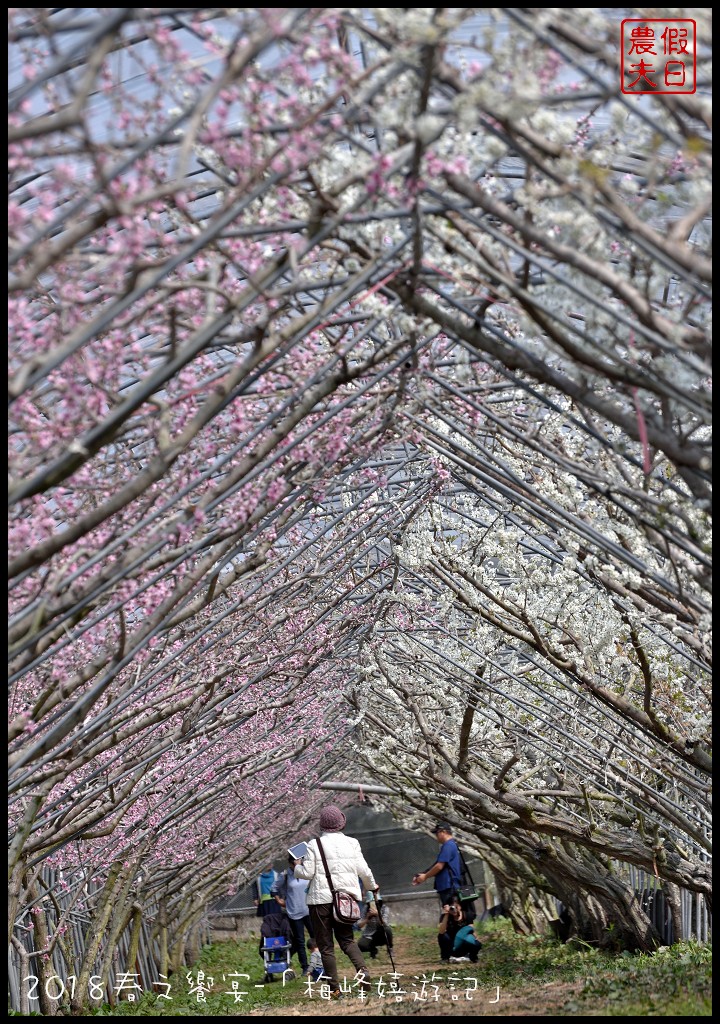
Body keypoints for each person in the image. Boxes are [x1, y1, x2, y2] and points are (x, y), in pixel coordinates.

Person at [293, 804, 379, 999]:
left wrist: (297, 867)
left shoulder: (314, 845)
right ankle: (362, 970)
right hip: (345, 901)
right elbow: (364, 871)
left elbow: (307, 873)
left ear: (322, 825)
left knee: (325, 946)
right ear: (341, 822)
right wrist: (373, 887)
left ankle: (335, 989)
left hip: (320, 902)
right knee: (347, 939)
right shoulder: (352, 843)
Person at [272, 855, 315, 975]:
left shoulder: (306, 871)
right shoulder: (285, 875)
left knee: (315, 937)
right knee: (300, 941)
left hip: (309, 909)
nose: (297, 865)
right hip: (294, 912)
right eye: (295, 863)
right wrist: (279, 900)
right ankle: (305, 967)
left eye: (299, 861)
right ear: (290, 863)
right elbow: (274, 888)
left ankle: (318, 963)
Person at [411, 821, 463, 906]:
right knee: (448, 913)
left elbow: (439, 866)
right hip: (447, 886)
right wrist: (423, 873)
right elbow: (437, 864)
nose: (436, 837)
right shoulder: (449, 845)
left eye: (437, 833)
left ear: (444, 832)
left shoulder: (448, 845)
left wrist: (425, 876)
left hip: (449, 886)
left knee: (449, 913)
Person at [438, 895, 481, 962]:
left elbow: (471, 930)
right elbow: (441, 932)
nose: (454, 910)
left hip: (463, 945)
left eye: (456, 907)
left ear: (460, 906)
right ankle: (445, 957)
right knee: (443, 936)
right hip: (452, 947)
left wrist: (476, 940)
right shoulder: (445, 917)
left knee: (476, 943)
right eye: (452, 907)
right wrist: (446, 914)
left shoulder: (467, 915)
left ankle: (473, 956)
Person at [356, 895, 393, 960]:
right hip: (369, 935)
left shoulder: (384, 908)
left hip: (380, 933)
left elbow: (385, 923)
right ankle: (373, 950)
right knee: (361, 945)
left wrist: (378, 915)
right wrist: (367, 918)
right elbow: (359, 925)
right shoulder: (366, 909)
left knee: (387, 930)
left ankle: (390, 948)